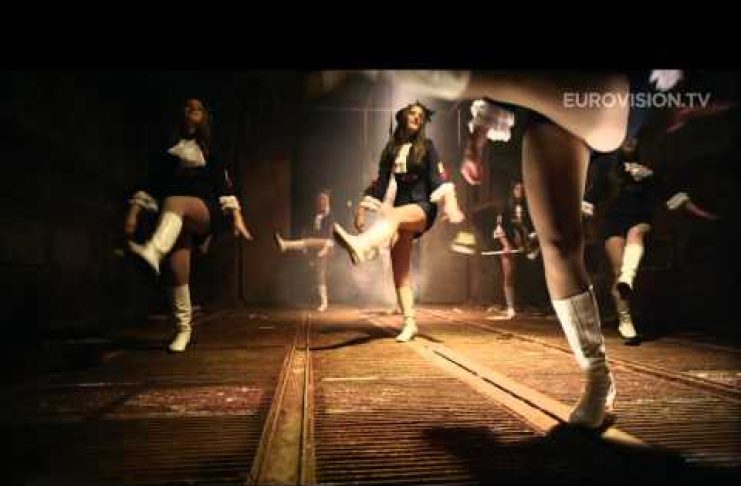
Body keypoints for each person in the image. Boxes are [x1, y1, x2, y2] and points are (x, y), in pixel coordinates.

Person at [126, 98, 253, 352]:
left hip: (205, 211)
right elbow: (151, 184)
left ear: (204, 116)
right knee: (176, 269)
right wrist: (133, 213)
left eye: (197, 107)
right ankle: (183, 330)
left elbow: (225, 187)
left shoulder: (211, 150)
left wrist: (237, 219)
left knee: (175, 202)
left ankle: (153, 251)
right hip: (173, 219)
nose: (191, 109)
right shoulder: (168, 151)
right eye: (187, 106)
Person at [333, 101, 465, 342]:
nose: (417, 118)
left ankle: (362, 246)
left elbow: (438, 179)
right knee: (400, 270)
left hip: (423, 208)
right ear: (403, 117)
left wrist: (451, 203)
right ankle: (410, 323)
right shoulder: (391, 149)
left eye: (421, 116)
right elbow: (380, 184)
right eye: (413, 114)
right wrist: (362, 209)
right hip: (399, 212)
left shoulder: (427, 146)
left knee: (391, 215)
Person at [583, 136, 720, 344]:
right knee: (617, 272)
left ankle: (628, 278)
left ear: (639, 143)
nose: (630, 141)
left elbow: (674, 195)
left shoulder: (650, 171)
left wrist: (705, 215)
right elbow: (591, 197)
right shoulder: (609, 170)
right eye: (626, 138)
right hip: (614, 221)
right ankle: (625, 320)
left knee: (636, 234)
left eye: (634, 138)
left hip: (640, 219)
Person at [274, 189, 335, 312]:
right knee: (319, 273)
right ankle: (324, 302)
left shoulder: (331, 216)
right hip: (315, 245)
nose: (321, 202)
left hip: (329, 244)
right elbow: (308, 230)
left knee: (315, 245)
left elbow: (332, 234)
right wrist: (306, 248)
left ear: (328, 201)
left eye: (324, 199)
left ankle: (286, 245)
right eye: (319, 200)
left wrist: (325, 248)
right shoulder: (315, 215)